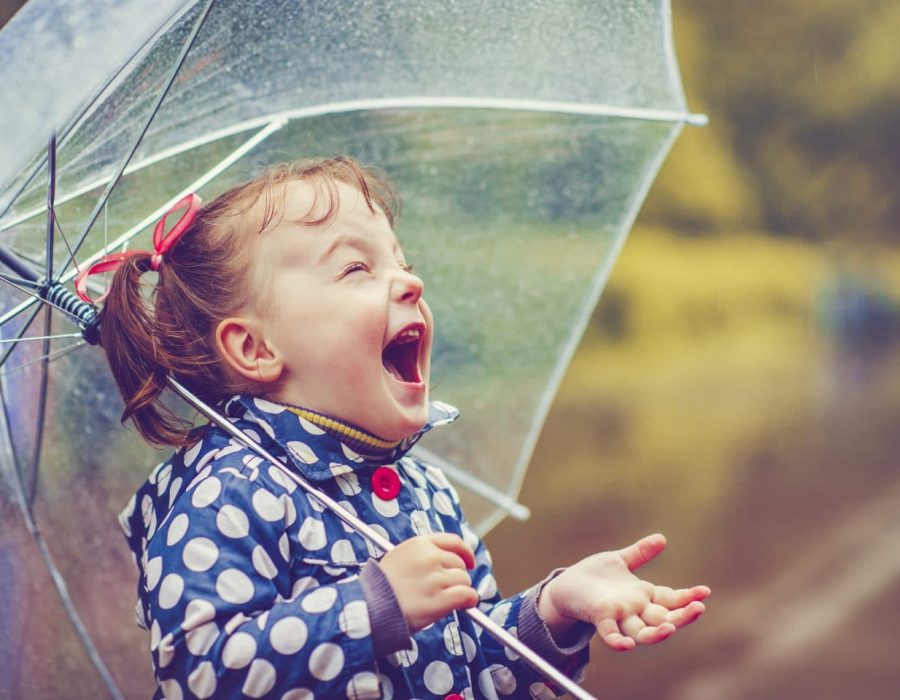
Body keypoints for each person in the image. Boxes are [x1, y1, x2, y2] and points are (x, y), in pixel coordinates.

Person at [94, 157, 710, 700]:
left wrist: (555, 608)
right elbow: (198, 676)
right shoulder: (227, 493)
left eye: (402, 262)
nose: (410, 281)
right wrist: (373, 605)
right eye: (356, 268)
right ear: (254, 347)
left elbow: (479, 667)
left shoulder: (424, 491)